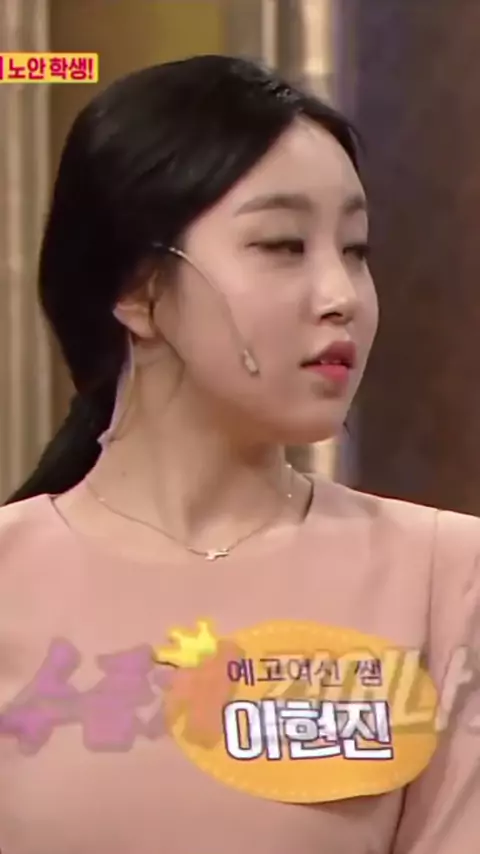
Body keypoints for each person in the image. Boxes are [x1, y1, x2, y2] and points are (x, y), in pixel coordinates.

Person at [0, 54, 478, 854]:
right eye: (284, 245)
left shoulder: (446, 577)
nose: (341, 296)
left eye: (356, 249)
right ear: (138, 289)